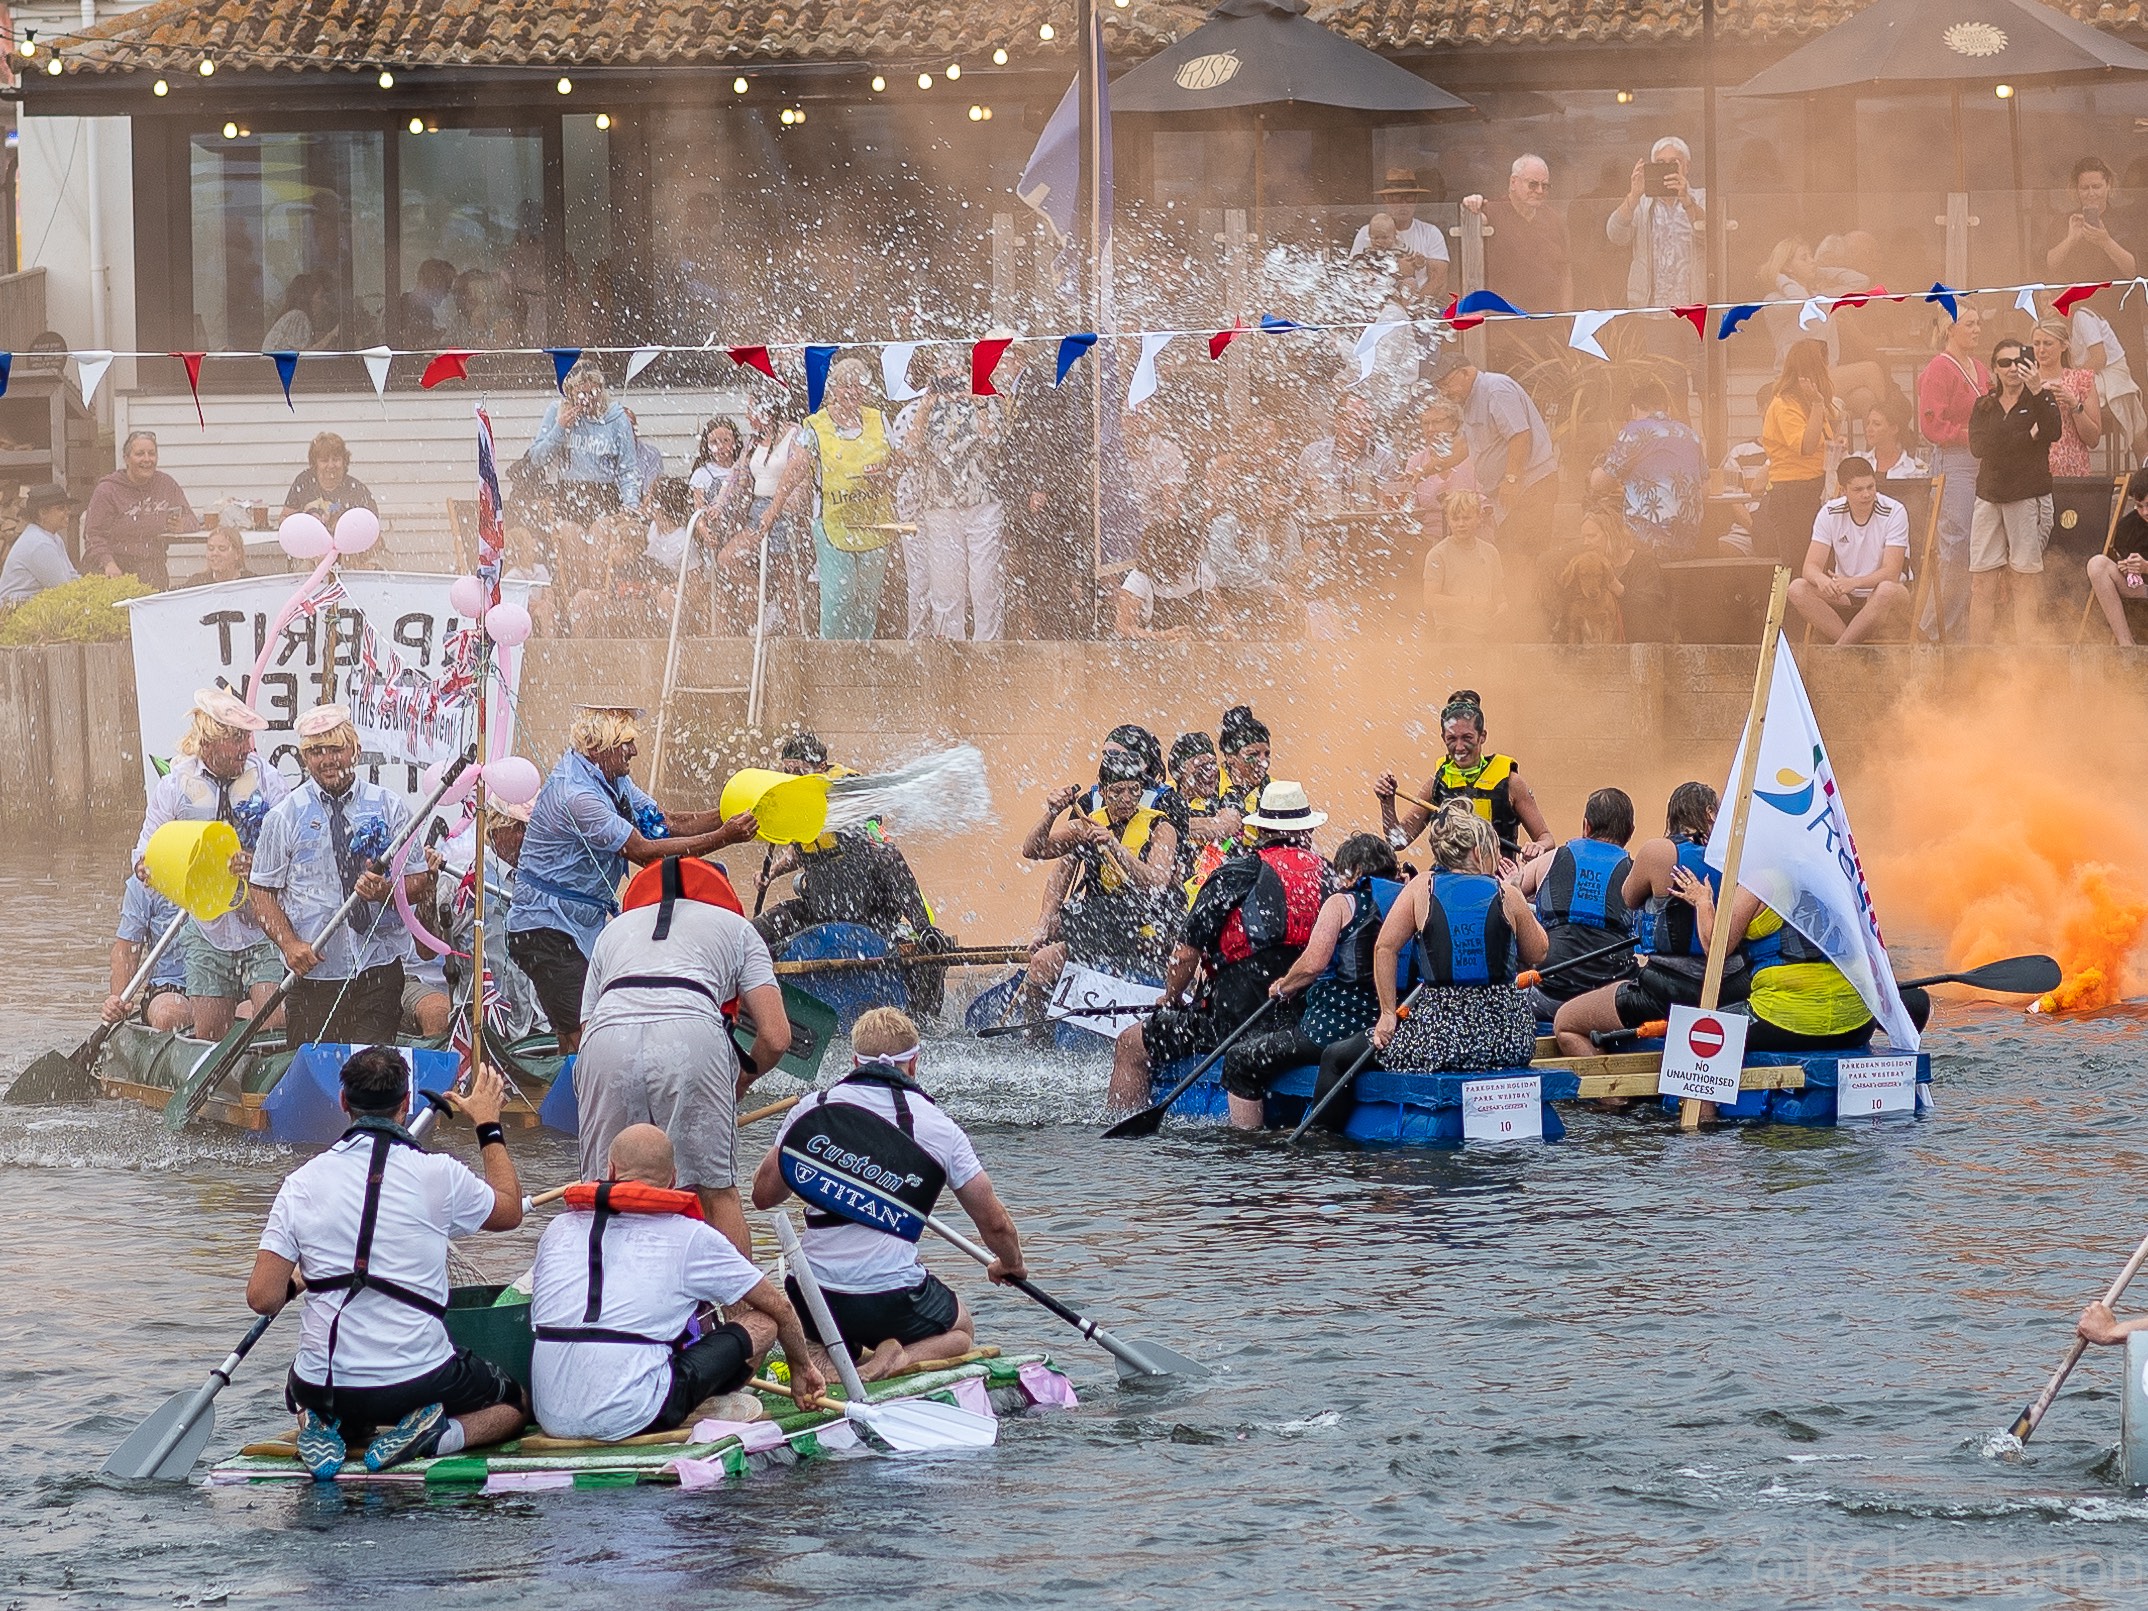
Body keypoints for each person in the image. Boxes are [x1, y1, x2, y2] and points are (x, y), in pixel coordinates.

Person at [246, 1048, 527, 1480]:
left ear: (342, 1102)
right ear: (406, 1102)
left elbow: (263, 1298)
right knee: (515, 1403)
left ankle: (318, 1421)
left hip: (321, 1385)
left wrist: (308, 1278)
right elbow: (509, 1213)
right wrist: (488, 1124)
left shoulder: (299, 1183)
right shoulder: (439, 1174)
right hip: (417, 1380)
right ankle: (438, 1437)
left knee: (301, 1384)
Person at [752, 1008, 1027, 1381]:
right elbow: (994, 1223)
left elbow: (763, 1195)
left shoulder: (812, 1109)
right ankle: (896, 1360)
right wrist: (1010, 1263)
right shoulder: (939, 1127)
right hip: (892, 1299)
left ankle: (825, 1361)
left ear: (853, 1061)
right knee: (961, 1329)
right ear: (913, 1064)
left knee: (818, 1329)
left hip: (816, 1294)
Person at [529, 1124, 825, 1441]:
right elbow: (779, 1307)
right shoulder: (690, 1235)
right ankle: (700, 1403)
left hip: (550, 1414)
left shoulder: (557, 1228)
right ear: (673, 1180)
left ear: (611, 1170)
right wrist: (801, 1367)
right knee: (763, 1322)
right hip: (631, 1414)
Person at [507, 705, 758, 1052]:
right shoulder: (577, 795)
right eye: (625, 743)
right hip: (545, 928)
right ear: (597, 748)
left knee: (592, 1025)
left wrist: (731, 815)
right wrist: (725, 837)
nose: (635, 751)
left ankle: (586, 1094)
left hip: (579, 925)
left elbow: (666, 823)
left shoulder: (614, 778)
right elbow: (643, 851)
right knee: (588, 1032)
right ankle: (585, 1099)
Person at [576, 852, 789, 1258]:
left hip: (606, 1038)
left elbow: (586, 1032)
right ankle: (738, 1313)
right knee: (715, 1192)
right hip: (691, 1032)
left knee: (600, 1190)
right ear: (720, 894)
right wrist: (740, 1081)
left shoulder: (615, 930)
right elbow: (776, 1038)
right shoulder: (738, 929)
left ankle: (597, 1303)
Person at [1308, 806, 1545, 1130]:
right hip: (1507, 1041)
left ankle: (1326, 1142)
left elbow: (1386, 947)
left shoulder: (1422, 887)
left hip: (1441, 1041)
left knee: (1336, 1056)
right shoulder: (1508, 893)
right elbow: (1538, 952)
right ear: (1477, 851)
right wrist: (1517, 888)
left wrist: (1388, 1014)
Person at [1104, 780, 1330, 1114]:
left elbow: (1185, 954)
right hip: (1309, 1018)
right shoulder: (1332, 875)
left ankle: (1120, 1121)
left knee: (1130, 1043)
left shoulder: (1234, 874)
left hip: (1237, 1018)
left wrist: (1170, 997)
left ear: (1262, 829)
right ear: (1307, 830)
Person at [250, 705, 432, 1049]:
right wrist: (289, 944)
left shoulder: (389, 807)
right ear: (305, 758)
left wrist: (385, 891)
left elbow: (419, 881)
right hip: (315, 973)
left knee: (372, 1073)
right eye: (316, 752)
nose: (327, 759)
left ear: (355, 750)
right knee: (318, 1078)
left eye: (335, 749)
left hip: (377, 966)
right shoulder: (284, 816)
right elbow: (261, 892)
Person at [133, 687, 290, 1041]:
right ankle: (214, 1083)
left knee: (275, 1019)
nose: (246, 749)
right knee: (208, 1031)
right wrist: (145, 867)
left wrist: (259, 864)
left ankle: (257, 1082)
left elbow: (294, 850)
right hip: (205, 925)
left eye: (245, 738)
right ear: (209, 744)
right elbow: (145, 849)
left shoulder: (269, 782)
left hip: (261, 921)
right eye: (236, 740)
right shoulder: (176, 786)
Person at [1218, 833, 1403, 1128]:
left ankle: (1245, 1143)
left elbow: (1313, 964)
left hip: (1330, 1030)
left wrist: (1284, 985)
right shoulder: (1405, 901)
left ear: (1354, 870)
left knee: (1241, 1059)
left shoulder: (1342, 903)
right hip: (1384, 1028)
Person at [1551, 781, 1746, 1056]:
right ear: (1711, 814)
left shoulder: (1659, 851)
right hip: (1732, 987)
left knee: (1566, 1022)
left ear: (1673, 816)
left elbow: (1628, 897)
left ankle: (1611, 1100)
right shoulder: (1739, 857)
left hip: (1668, 990)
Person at [1024, 749, 1182, 1001]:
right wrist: (1051, 813)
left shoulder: (1161, 827)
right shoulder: (1087, 825)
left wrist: (1115, 848)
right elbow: (1033, 850)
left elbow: (1156, 882)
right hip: (1100, 927)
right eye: (1117, 791)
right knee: (1042, 964)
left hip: (1146, 932)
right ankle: (1035, 1039)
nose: (1126, 799)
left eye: (1133, 790)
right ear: (1103, 792)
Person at [754, 825, 954, 1016]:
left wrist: (923, 926)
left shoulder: (863, 829)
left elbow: (900, 878)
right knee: (763, 927)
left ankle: (918, 1018)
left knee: (927, 947)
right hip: (819, 913)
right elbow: (795, 853)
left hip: (871, 919)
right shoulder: (803, 824)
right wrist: (770, 873)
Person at [762, 357, 897, 640]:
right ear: (832, 389)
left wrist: (886, 474)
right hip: (833, 523)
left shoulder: (878, 419)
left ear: (865, 390)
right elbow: (796, 468)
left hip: (875, 522)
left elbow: (899, 462)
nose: (851, 392)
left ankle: (862, 659)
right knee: (839, 595)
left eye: (857, 386)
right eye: (844, 386)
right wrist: (774, 509)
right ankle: (831, 659)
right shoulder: (815, 425)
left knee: (866, 600)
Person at [894, 340, 1007, 641]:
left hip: (981, 503)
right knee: (945, 588)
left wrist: (977, 399)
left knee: (984, 583)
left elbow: (994, 442)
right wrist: (926, 407)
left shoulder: (987, 398)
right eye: (943, 366)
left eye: (956, 365)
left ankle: (988, 655)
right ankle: (949, 655)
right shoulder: (923, 406)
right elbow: (911, 451)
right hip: (939, 507)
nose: (950, 372)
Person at [1374, 689, 1552, 860]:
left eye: (1467, 738)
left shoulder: (1511, 783)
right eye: (1452, 739)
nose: (1459, 748)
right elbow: (1397, 841)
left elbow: (1546, 839)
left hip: (1498, 882)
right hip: (1448, 884)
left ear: (1482, 736)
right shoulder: (1436, 783)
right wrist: (1387, 802)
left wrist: (1538, 847)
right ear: (1443, 737)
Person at [996, 337, 1094, 640]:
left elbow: (1047, 435)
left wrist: (1042, 485)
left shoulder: (1036, 384)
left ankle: (1057, 630)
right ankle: (1046, 625)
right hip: (1023, 492)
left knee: (1048, 565)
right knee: (1033, 566)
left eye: (1000, 359)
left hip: (1042, 497)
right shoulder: (1016, 390)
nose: (996, 367)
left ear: (1016, 358)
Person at [1512, 788, 1637, 1021]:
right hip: (1605, 999)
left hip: (1549, 993)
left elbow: (1510, 895)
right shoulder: (1636, 874)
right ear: (1630, 832)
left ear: (1586, 826)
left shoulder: (1549, 860)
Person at [1968, 337, 2062, 644]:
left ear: (2030, 365)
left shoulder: (2040, 398)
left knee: (2024, 582)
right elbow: (1979, 448)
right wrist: (2026, 437)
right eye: (2004, 363)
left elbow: (2052, 432)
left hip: (2026, 496)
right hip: (1988, 496)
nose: (2012, 369)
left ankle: (2026, 662)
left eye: (2018, 362)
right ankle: (1977, 659)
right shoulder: (1984, 405)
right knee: (1982, 583)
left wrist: (2037, 394)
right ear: (1994, 368)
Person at [429, 797, 546, 1042]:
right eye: (520, 828)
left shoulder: (544, 880)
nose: (529, 838)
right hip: (483, 1025)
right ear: (496, 828)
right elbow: (428, 946)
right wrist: (428, 890)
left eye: (535, 829)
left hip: (539, 1023)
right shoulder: (465, 879)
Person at [1429, 348, 1559, 550]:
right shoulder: (1470, 400)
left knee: (1522, 557)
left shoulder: (1496, 389)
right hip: (1509, 492)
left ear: (1464, 372)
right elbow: (1465, 446)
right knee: (1510, 555)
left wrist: (1511, 479)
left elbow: (1519, 435)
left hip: (1530, 486)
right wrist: (1423, 471)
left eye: (1446, 385)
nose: (1445, 392)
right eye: (1440, 388)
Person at [1916, 305, 1988, 642]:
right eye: (1969, 324)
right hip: (1954, 459)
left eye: (1978, 324)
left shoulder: (1981, 369)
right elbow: (1932, 425)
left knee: (1976, 544)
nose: (1976, 330)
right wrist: (1971, 436)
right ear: (1950, 329)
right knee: (1956, 542)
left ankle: (1956, 627)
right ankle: (1935, 628)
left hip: (1982, 460)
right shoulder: (1939, 369)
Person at [1787, 456, 1913, 644]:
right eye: (1858, 489)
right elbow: (1810, 567)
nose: (1866, 494)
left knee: (1886, 589)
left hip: (1886, 594)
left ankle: (1841, 651)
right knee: (1796, 588)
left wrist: (1855, 582)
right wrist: (1821, 579)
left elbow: (1892, 573)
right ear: (1843, 491)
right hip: (1845, 595)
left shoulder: (1894, 511)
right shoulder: (1830, 512)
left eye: (1871, 487)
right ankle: (1851, 649)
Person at [1589, 376, 1706, 556]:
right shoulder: (1690, 434)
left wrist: (1596, 469)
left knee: (1596, 516)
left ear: (1633, 409)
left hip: (1645, 545)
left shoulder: (1634, 431)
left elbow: (1599, 485)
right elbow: (1705, 489)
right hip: (1688, 543)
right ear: (1667, 408)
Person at [1756, 339, 1842, 571]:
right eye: (1823, 365)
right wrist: (1816, 404)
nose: (1828, 371)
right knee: (1795, 567)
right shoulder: (1784, 405)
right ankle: (1788, 607)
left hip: (1813, 489)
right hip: (1792, 494)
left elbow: (1819, 443)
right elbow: (1805, 446)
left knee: (1821, 565)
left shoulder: (1809, 404)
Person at [1461, 155, 1573, 329]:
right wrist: (1471, 204)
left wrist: (1567, 317)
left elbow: (1565, 272)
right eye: (1533, 184)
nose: (1540, 191)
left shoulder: (1554, 219)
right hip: (1504, 325)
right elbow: (1473, 220)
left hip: (1549, 324)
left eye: (1545, 186)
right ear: (1513, 182)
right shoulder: (1492, 211)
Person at [530, 359, 642, 523]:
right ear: (570, 392)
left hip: (605, 494)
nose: (588, 400)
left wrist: (630, 505)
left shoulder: (617, 418)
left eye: (593, 393)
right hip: (568, 492)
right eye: (582, 394)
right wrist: (560, 428)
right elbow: (537, 458)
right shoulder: (556, 411)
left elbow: (628, 468)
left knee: (601, 537)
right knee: (571, 540)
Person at [83, 430, 197, 590]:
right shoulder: (107, 490)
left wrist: (183, 525)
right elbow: (93, 535)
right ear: (126, 459)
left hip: (152, 568)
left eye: (152, 454)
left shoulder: (166, 484)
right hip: (115, 569)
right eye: (139, 454)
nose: (147, 459)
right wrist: (108, 563)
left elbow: (193, 520)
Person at [1607, 137, 1707, 310]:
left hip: (1693, 307)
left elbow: (1712, 238)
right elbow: (1616, 236)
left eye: (1673, 162)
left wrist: (1686, 200)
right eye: (1660, 163)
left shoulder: (1701, 198)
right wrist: (1633, 196)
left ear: (1687, 166)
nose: (1666, 168)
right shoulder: (1642, 204)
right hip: (1652, 308)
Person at [1349, 167, 1450, 304]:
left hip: (1419, 311)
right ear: (1385, 199)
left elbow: (1439, 283)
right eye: (1396, 197)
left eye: (1409, 197)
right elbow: (1355, 277)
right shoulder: (1366, 233)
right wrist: (1395, 267)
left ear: (1416, 199)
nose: (1403, 204)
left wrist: (1411, 307)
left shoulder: (1431, 233)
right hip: (1378, 310)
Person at [106, 874, 192, 1032]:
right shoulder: (146, 879)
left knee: (247, 1013)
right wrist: (118, 1001)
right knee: (170, 1014)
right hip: (170, 986)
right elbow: (127, 951)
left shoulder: (240, 868)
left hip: (231, 984)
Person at [1421, 488, 1507, 638]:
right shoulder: (1438, 555)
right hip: (1451, 631)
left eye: (1466, 518)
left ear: (1479, 518)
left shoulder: (1490, 552)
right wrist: (1471, 602)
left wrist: (1503, 606)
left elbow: (1499, 594)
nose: (1461, 524)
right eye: (1455, 518)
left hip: (1486, 630)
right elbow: (1430, 599)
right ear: (1448, 520)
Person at [1116, 514, 1218, 640]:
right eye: (1175, 565)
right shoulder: (1140, 578)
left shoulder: (1200, 572)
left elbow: (1221, 614)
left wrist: (1227, 629)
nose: (1182, 569)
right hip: (1154, 653)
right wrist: (1161, 636)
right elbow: (1122, 627)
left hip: (1198, 650)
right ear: (1161, 560)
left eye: (1185, 562)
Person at [2030, 319, 2104, 479]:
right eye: (2036, 344)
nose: (2041, 350)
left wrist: (2074, 404)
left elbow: (2093, 440)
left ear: (2063, 346)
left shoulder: (2081, 380)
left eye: (2048, 343)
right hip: (2033, 475)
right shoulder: (2025, 382)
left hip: (2073, 472)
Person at [1396, 399, 1478, 536]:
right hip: (1428, 539)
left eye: (1437, 422)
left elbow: (1485, 503)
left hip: (1472, 537)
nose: (1430, 429)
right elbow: (1408, 508)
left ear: (1453, 424)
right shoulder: (1416, 461)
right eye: (1425, 423)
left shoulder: (1473, 457)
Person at [2087, 467, 2148, 645]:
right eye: (2139, 506)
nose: (2145, 512)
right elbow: (2134, 579)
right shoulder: (2127, 527)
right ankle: (2126, 645)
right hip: (2142, 588)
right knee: (2097, 564)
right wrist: (2127, 568)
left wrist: (2145, 566)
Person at [278, 432, 379, 531]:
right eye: (324, 460)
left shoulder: (357, 490)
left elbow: (372, 528)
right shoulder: (304, 482)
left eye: (336, 459)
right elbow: (284, 519)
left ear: (344, 461)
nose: (331, 465)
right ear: (315, 463)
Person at [0, 482, 78, 607]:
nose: (68, 512)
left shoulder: (52, 537)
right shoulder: (39, 543)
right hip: (14, 612)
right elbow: (62, 588)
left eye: (67, 507)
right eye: (61, 508)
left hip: (33, 605)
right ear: (42, 513)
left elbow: (72, 576)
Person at [262, 271, 340, 353]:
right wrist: (332, 334)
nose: (324, 303)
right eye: (321, 297)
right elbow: (305, 357)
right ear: (307, 298)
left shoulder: (292, 317)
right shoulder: (298, 316)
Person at [1217, 704, 1272, 813]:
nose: (1263, 762)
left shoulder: (1276, 791)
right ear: (1230, 757)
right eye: (1253, 755)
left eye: (1266, 754)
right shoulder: (1205, 784)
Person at [1863, 395, 1928, 482]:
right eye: (1868, 423)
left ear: (1894, 429)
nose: (1868, 429)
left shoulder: (1914, 467)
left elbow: (1921, 495)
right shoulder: (1859, 462)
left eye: (1876, 424)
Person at [196, 521, 253, 586]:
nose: (215, 553)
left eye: (222, 549)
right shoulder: (197, 582)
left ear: (238, 554)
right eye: (211, 548)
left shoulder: (251, 583)